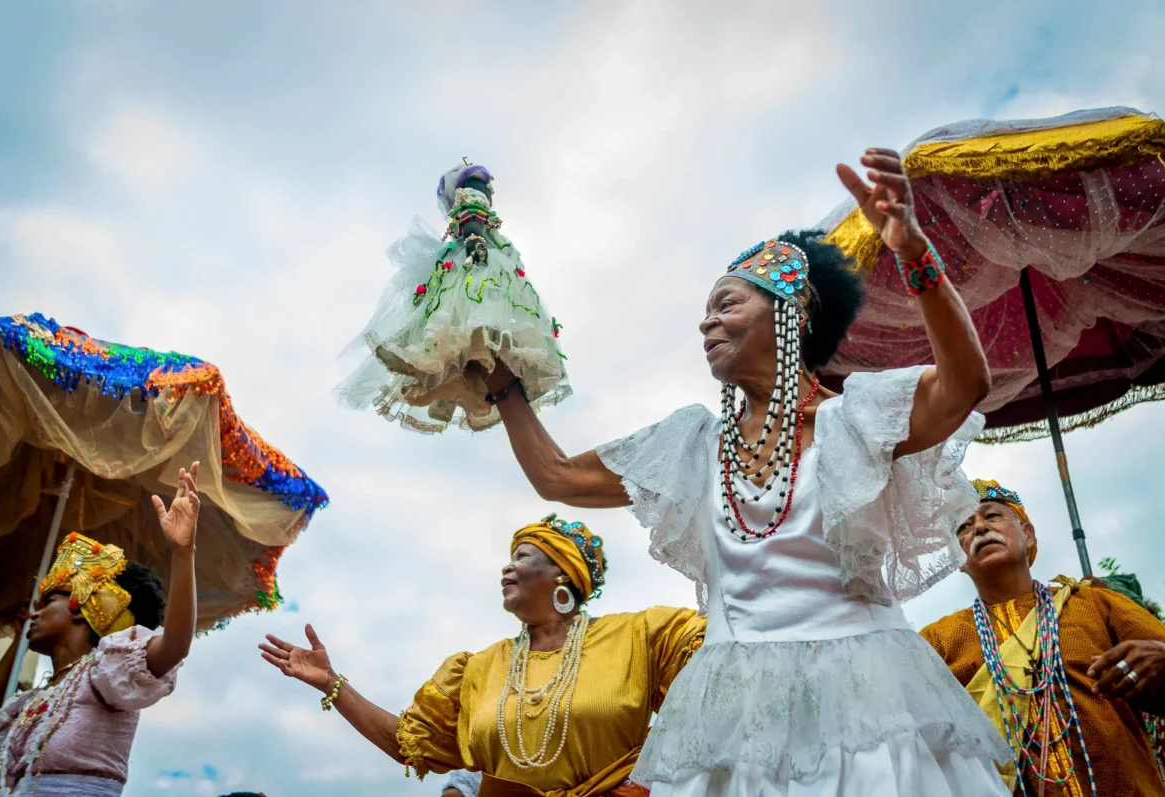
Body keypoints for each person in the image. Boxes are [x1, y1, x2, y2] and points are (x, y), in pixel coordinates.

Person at [475, 150, 1012, 795]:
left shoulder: (857, 418)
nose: (706, 322)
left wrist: (914, 251)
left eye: (726, 304)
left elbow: (964, 383)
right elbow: (557, 476)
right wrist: (506, 389)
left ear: (793, 308)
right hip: (736, 714)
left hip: (869, 702)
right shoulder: (693, 445)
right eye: (705, 312)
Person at [261, 515, 705, 797]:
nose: (506, 567)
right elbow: (408, 744)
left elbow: (723, 663)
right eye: (508, 558)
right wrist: (332, 684)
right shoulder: (477, 669)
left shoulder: (640, 636)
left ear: (563, 574)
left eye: (523, 556)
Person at [0, 464, 202, 796]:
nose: (35, 612)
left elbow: (175, 646)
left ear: (80, 604)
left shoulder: (108, 671)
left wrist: (183, 552)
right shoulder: (41, 695)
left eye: (48, 602)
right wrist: (20, 637)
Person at [921, 478, 1165, 795]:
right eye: (964, 527)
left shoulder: (1096, 604)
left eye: (992, 516)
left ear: (1028, 534)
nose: (979, 528)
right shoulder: (937, 641)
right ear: (958, 559)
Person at [336, 161, 570, 434]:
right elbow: (473, 213)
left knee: (469, 330)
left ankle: (468, 377)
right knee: (479, 322)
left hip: (473, 258)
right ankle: (471, 377)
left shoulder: (469, 205)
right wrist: (475, 240)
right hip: (477, 262)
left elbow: (472, 215)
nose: (487, 192)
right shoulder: (475, 187)